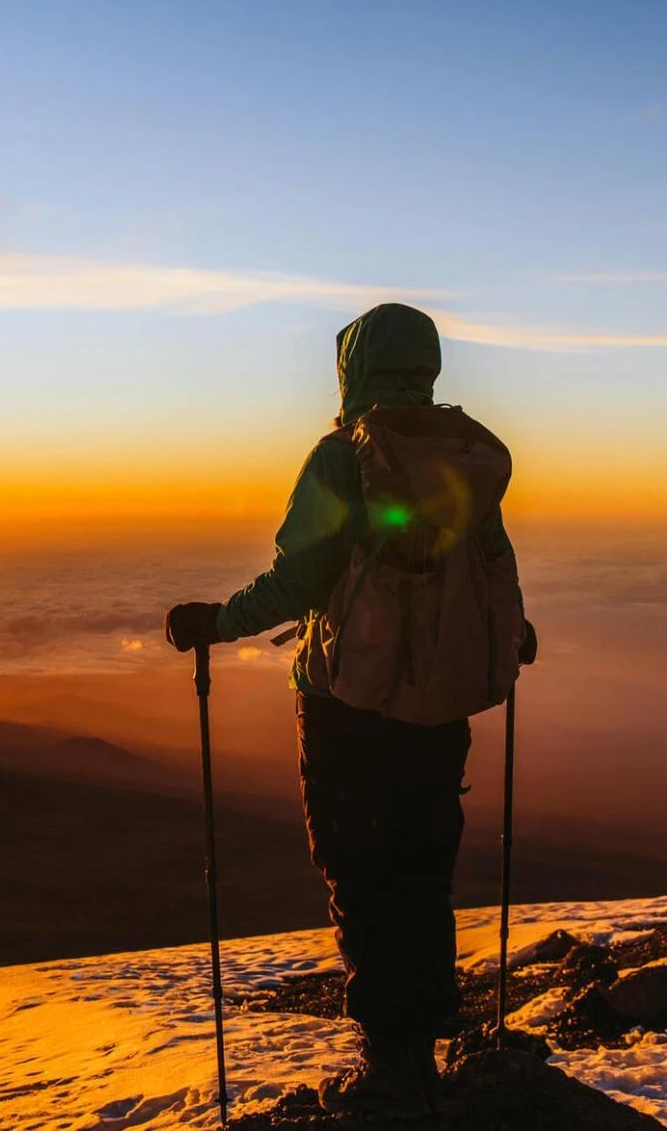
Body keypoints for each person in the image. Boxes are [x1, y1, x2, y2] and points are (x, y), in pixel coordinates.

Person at [165, 302, 535, 1118]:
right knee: (421, 867)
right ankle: (423, 1049)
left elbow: (300, 578)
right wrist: (511, 636)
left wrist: (215, 623)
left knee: (359, 872)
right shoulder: (466, 456)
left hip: (348, 705)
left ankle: (390, 1066)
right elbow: (490, 563)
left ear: (353, 367)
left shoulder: (345, 456)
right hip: (441, 701)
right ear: (428, 365)